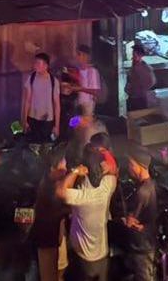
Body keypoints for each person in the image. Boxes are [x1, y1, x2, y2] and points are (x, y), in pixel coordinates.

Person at [59, 144, 116, 281]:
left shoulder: (83, 197)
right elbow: (113, 170)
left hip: (84, 258)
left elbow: (61, 191)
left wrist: (75, 171)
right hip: (102, 254)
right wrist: (105, 157)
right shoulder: (108, 185)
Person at [118, 146, 159, 281]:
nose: (129, 167)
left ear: (140, 166)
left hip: (142, 247)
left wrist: (123, 220)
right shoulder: (151, 185)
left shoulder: (142, 192)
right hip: (149, 242)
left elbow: (130, 222)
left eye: (131, 164)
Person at [31, 151, 70, 281]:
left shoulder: (45, 183)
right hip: (49, 239)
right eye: (63, 162)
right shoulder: (52, 186)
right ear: (54, 166)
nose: (66, 166)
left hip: (49, 239)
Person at [22, 53, 62, 144]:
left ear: (46, 66)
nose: (35, 65)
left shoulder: (53, 81)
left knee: (45, 146)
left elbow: (57, 105)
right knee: (32, 144)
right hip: (32, 118)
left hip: (47, 120)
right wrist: (24, 120)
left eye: (38, 63)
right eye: (35, 63)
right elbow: (27, 101)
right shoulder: (31, 78)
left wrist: (57, 126)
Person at [64, 45, 102, 118]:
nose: (77, 57)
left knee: (86, 127)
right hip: (77, 106)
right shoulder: (78, 71)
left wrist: (79, 89)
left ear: (85, 56)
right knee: (74, 126)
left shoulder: (93, 71)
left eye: (79, 54)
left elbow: (96, 91)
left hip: (88, 107)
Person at [126, 43, 156, 112]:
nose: (133, 56)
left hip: (140, 98)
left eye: (135, 54)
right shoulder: (135, 66)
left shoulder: (143, 68)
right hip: (133, 97)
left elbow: (151, 82)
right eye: (133, 53)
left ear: (140, 55)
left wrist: (140, 89)